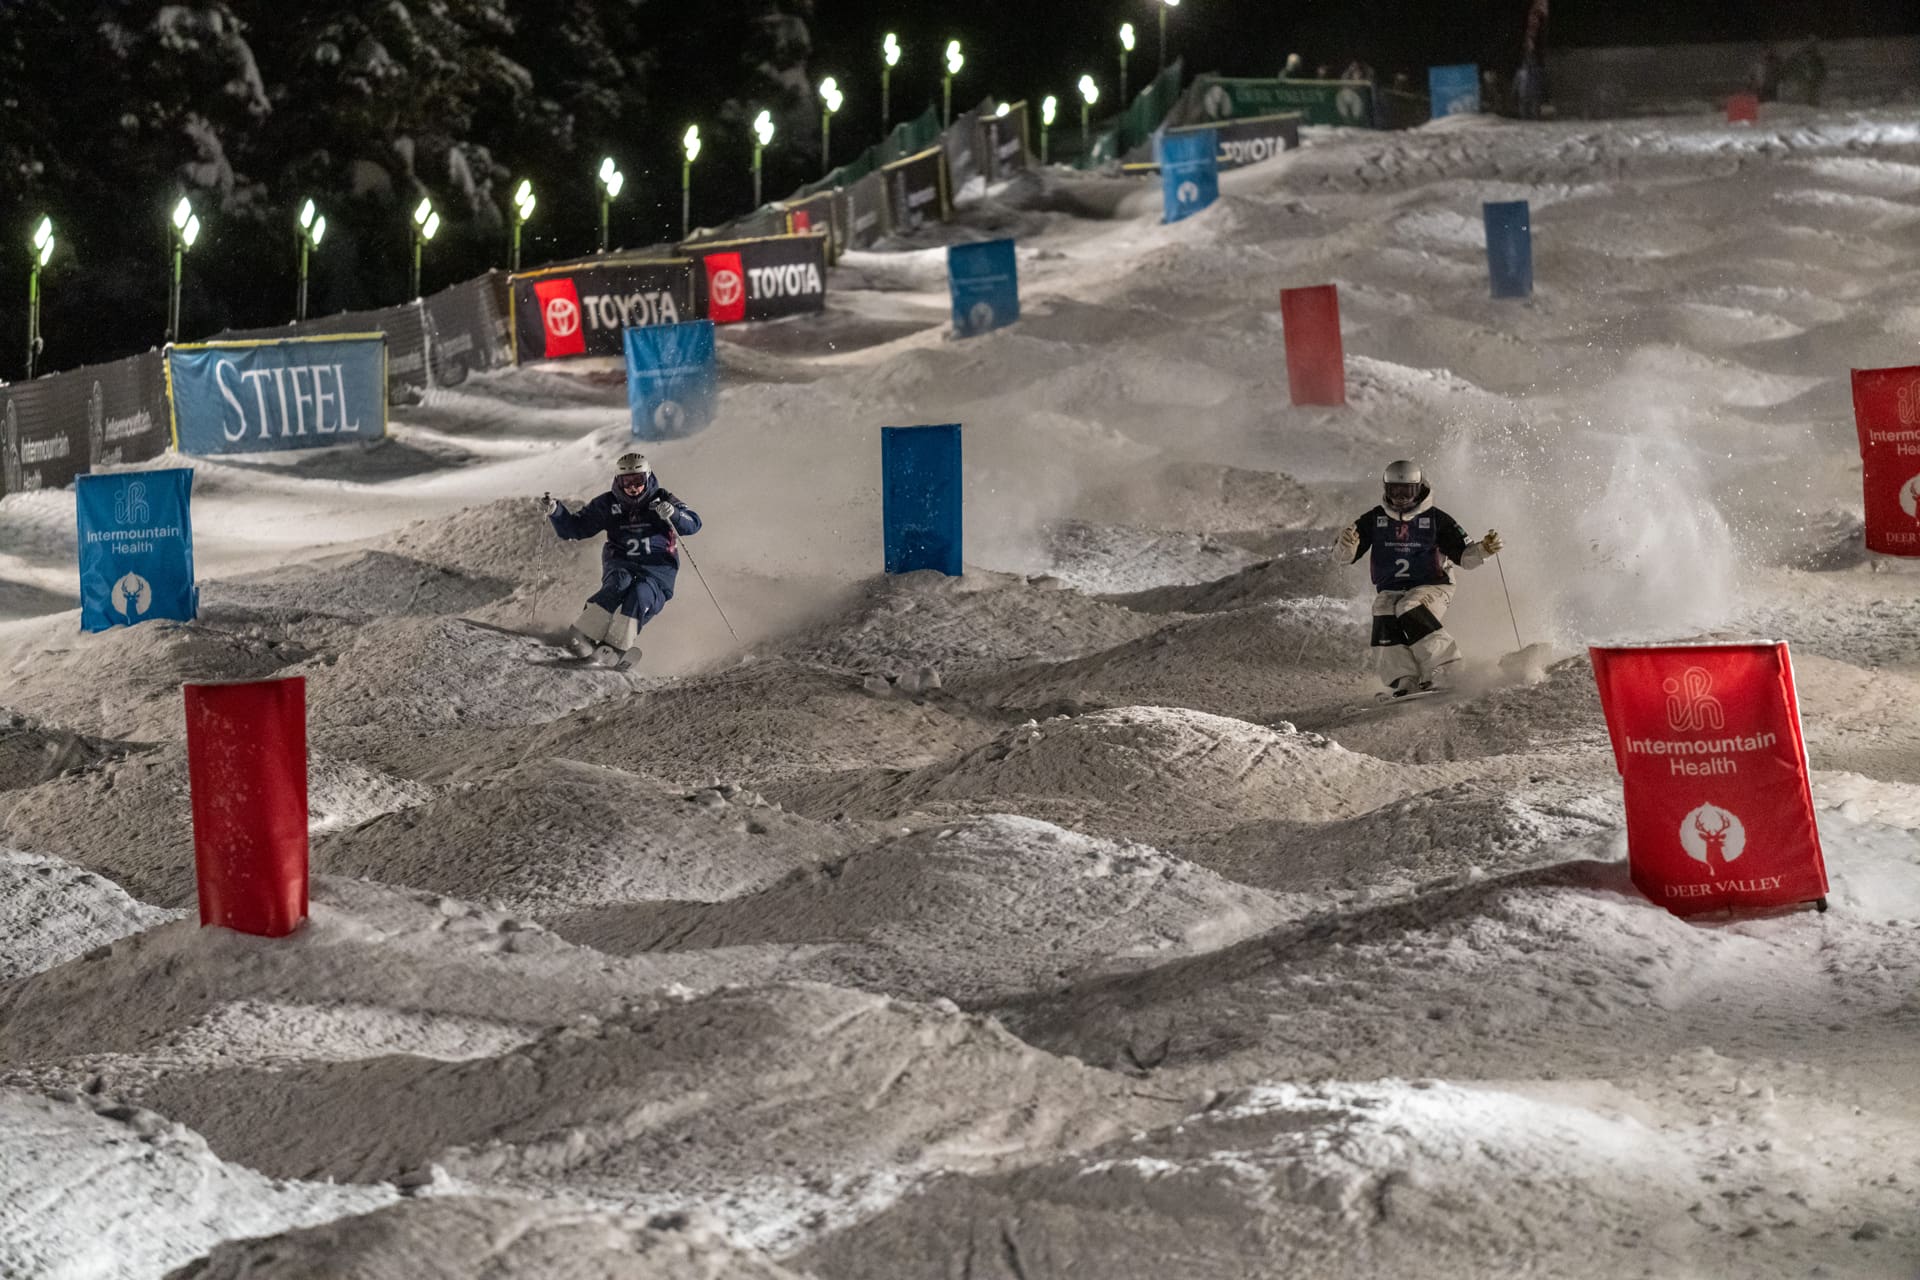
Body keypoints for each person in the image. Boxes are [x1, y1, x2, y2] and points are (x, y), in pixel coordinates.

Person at [1332, 460, 1503, 697]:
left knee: (1408, 606)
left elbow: (1464, 556)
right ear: (1385, 489)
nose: (1400, 498)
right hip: (1392, 588)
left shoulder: (1436, 519)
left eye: (1407, 491)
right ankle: (1405, 676)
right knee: (1382, 607)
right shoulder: (1375, 519)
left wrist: (1484, 549)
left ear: (1419, 488)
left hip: (1434, 586)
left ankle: (1446, 667)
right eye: (1394, 491)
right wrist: (1346, 545)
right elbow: (1343, 557)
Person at [541, 452, 702, 666]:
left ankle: (615, 646)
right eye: (627, 482)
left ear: (648, 478)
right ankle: (583, 633)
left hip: (658, 570)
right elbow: (576, 528)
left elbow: (693, 524)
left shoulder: (662, 499)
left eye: (638, 481)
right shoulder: (608, 503)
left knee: (641, 594)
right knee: (618, 585)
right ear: (618, 480)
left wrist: (673, 514)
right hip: (621, 563)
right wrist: (556, 512)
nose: (633, 487)